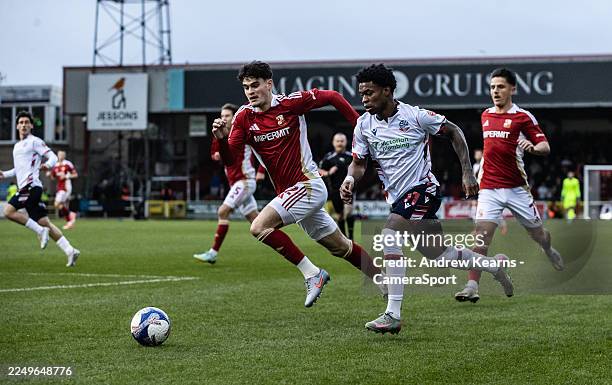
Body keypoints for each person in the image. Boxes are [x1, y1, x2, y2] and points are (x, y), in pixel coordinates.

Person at [340, 64, 513, 334]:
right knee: (441, 255)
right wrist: (350, 179)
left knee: (389, 234)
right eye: (361, 94)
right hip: (398, 198)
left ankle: (392, 313)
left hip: (424, 189)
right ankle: (494, 266)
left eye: (369, 93)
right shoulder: (364, 125)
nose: (363, 100)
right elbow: (358, 163)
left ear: (387, 91)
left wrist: (467, 172)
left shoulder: (416, 116)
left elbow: (454, 131)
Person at [213, 60, 383, 308]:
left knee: (259, 227)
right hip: (291, 194)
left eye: (255, 85)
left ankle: (312, 274)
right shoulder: (243, 118)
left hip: (308, 185)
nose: (250, 91)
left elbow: (333, 96)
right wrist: (220, 141)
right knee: (341, 247)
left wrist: (361, 127)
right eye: (246, 87)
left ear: (269, 84)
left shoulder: (290, 104)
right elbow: (231, 160)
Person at [454, 68, 563, 303]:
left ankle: (548, 249)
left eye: (500, 87)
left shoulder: (522, 117)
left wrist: (532, 148)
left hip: (516, 189)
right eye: (492, 87)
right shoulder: (485, 115)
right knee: (481, 237)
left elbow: (545, 147)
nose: (495, 91)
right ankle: (472, 285)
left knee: (538, 235)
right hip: (489, 188)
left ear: (512, 89)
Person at [0, 111, 80, 267]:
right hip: (26, 188)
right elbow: (18, 169)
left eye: (26, 122)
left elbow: (53, 157)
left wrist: (48, 165)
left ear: (31, 126)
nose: (23, 125)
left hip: (31, 187)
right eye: (21, 122)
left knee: (8, 212)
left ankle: (39, 231)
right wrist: (4, 174)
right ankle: (70, 250)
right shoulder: (16, 147)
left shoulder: (35, 141)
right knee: (45, 223)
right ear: (17, 126)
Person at [193, 103, 261, 264]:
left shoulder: (243, 132)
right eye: (222, 116)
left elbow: (260, 150)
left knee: (223, 211)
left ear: (234, 117)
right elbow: (214, 155)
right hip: (236, 183)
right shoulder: (219, 134)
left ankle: (212, 253)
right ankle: (286, 244)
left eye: (227, 116)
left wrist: (261, 171)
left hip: (244, 181)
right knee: (258, 223)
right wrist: (218, 149)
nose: (223, 118)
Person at [318, 132, 355, 239]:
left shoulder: (351, 156)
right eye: (337, 141)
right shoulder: (329, 158)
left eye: (342, 141)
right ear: (333, 143)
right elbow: (318, 170)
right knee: (340, 216)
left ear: (346, 142)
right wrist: (328, 173)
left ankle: (351, 238)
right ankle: (344, 238)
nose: (340, 143)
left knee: (348, 212)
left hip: (349, 190)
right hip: (334, 191)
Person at [48, 150, 78, 229]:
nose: (60, 156)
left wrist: (66, 176)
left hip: (66, 187)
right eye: (59, 155)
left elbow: (75, 175)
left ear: (64, 156)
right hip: (59, 187)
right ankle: (70, 220)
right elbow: (53, 177)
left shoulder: (68, 164)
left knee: (57, 203)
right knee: (60, 205)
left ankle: (70, 217)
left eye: (62, 155)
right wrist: (49, 174)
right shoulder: (56, 165)